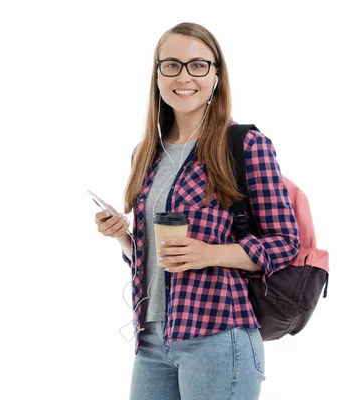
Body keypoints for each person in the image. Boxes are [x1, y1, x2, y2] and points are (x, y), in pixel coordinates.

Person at [93, 22, 300, 400]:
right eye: (170, 65)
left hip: (220, 337)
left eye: (198, 65)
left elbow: (286, 243)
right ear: (157, 75)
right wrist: (123, 236)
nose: (184, 76)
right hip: (153, 339)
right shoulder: (146, 154)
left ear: (217, 75)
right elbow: (154, 259)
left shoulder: (246, 145)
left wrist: (209, 254)